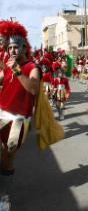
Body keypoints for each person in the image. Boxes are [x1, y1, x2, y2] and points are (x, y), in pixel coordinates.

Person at [0, 20, 40, 210]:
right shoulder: (7, 66)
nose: (12, 51)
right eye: (10, 48)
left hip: (18, 121)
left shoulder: (32, 67)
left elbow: (32, 88)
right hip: (1, 115)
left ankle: (4, 196)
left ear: (25, 48)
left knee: (8, 158)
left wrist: (16, 69)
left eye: (16, 47)